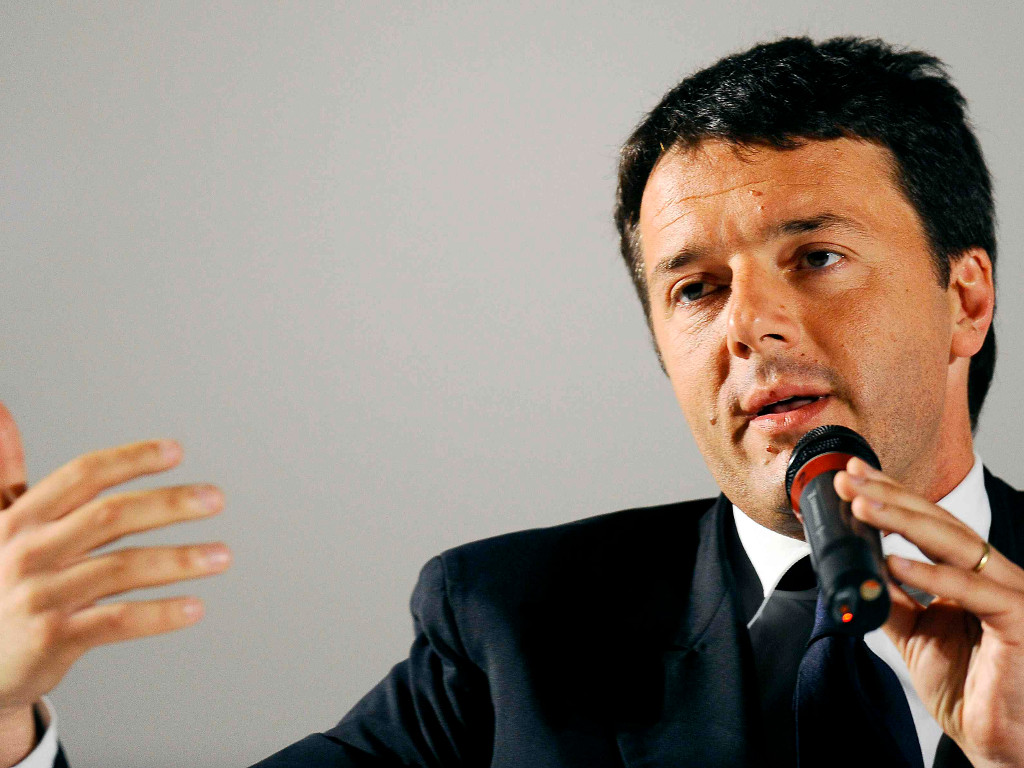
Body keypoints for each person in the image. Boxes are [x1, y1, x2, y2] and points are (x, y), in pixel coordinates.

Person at [2, 34, 1021, 767]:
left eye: (817, 256)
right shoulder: (512, 629)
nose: (747, 327)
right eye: (695, 289)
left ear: (965, 298)